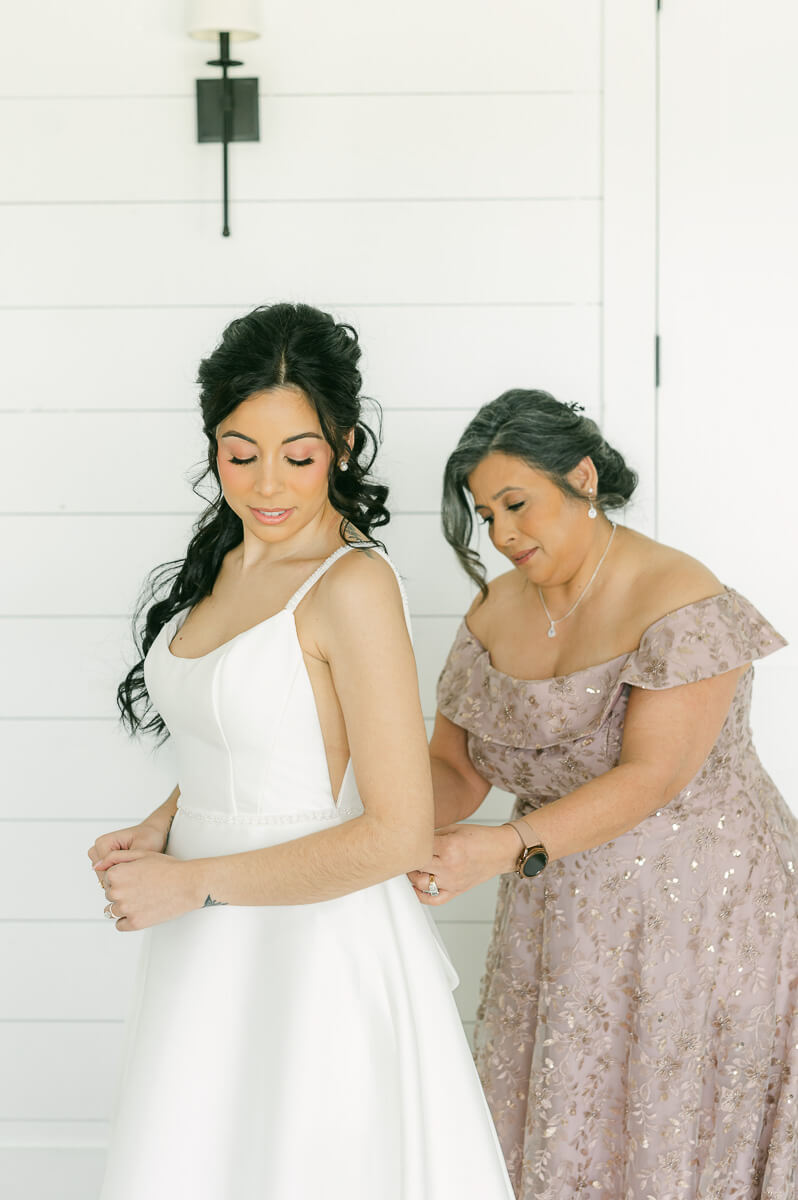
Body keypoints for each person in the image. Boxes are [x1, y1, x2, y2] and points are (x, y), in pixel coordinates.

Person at [88, 304, 514, 1200]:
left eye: (299, 454)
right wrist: (161, 829)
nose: (268, 483)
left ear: (345, 446)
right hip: (204, 939)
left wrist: (193, 881)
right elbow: (249, 730)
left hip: (309, 941)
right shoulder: (229, 565)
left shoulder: (352, 585)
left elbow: (398, 833)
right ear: (213, 447)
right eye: (241, 454)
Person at [409, 389, 797, 1199]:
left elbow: (651, 777)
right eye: (485, 516)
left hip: (705, 907)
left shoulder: (679, 595)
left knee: (672, 1123)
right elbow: (454, 769)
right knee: (561, 1120)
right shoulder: (491, 613)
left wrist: (499, 847)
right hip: (561, 908)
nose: (503, 534)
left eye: (517, 504)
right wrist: (381, 828)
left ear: (582, 476)